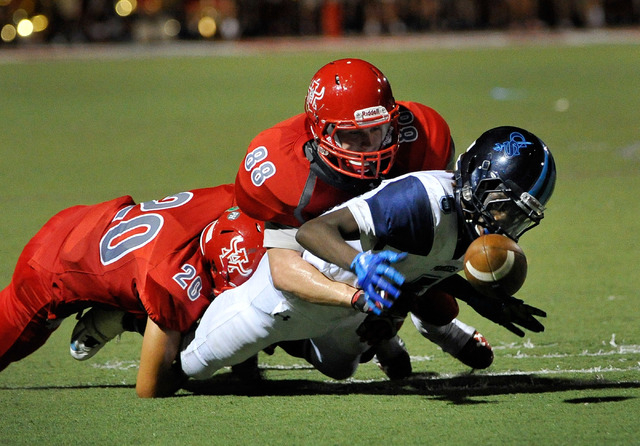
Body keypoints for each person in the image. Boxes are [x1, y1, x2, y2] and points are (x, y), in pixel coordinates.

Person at [180, 126, 555, 381]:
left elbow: (426, 266)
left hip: (353, 310)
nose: (504, 221)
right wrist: (359, 263)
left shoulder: (471, 226)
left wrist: (480, 298)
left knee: (341, 369)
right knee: (192, 366)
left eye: (520, 216)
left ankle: (358, 339)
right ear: (477, 177)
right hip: (288, 300)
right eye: (502, 205)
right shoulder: (421, 200)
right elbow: (313, 231)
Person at [234, 58, 489, 378]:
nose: (369, 146)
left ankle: (438, 328)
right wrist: (355, 295)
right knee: (341, 362)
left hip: (394, 246)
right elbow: (285, 266)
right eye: (352, 135)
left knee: (437, 298)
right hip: (329, 258)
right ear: (319, 131)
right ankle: (381, 340)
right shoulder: (283, 168)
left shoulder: (421, 138)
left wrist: (468, 292)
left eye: (377, 130)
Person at [0, 185, 265, 398]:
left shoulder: (230, 202)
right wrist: (218, 360)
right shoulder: (173, 281)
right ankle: (124, 318)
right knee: (203, 319)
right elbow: (149, 388)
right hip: (46, 271)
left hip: (88, 220)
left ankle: (120, 311)